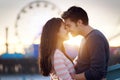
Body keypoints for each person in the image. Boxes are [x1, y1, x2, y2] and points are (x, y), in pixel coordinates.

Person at [62, 6, 110, 80]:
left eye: (69, 25)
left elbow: (97, 72)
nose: (67, 30)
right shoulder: (86, 39)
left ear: (79, 22)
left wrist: (73, 77)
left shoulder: (95, 38)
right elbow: (82, 62)